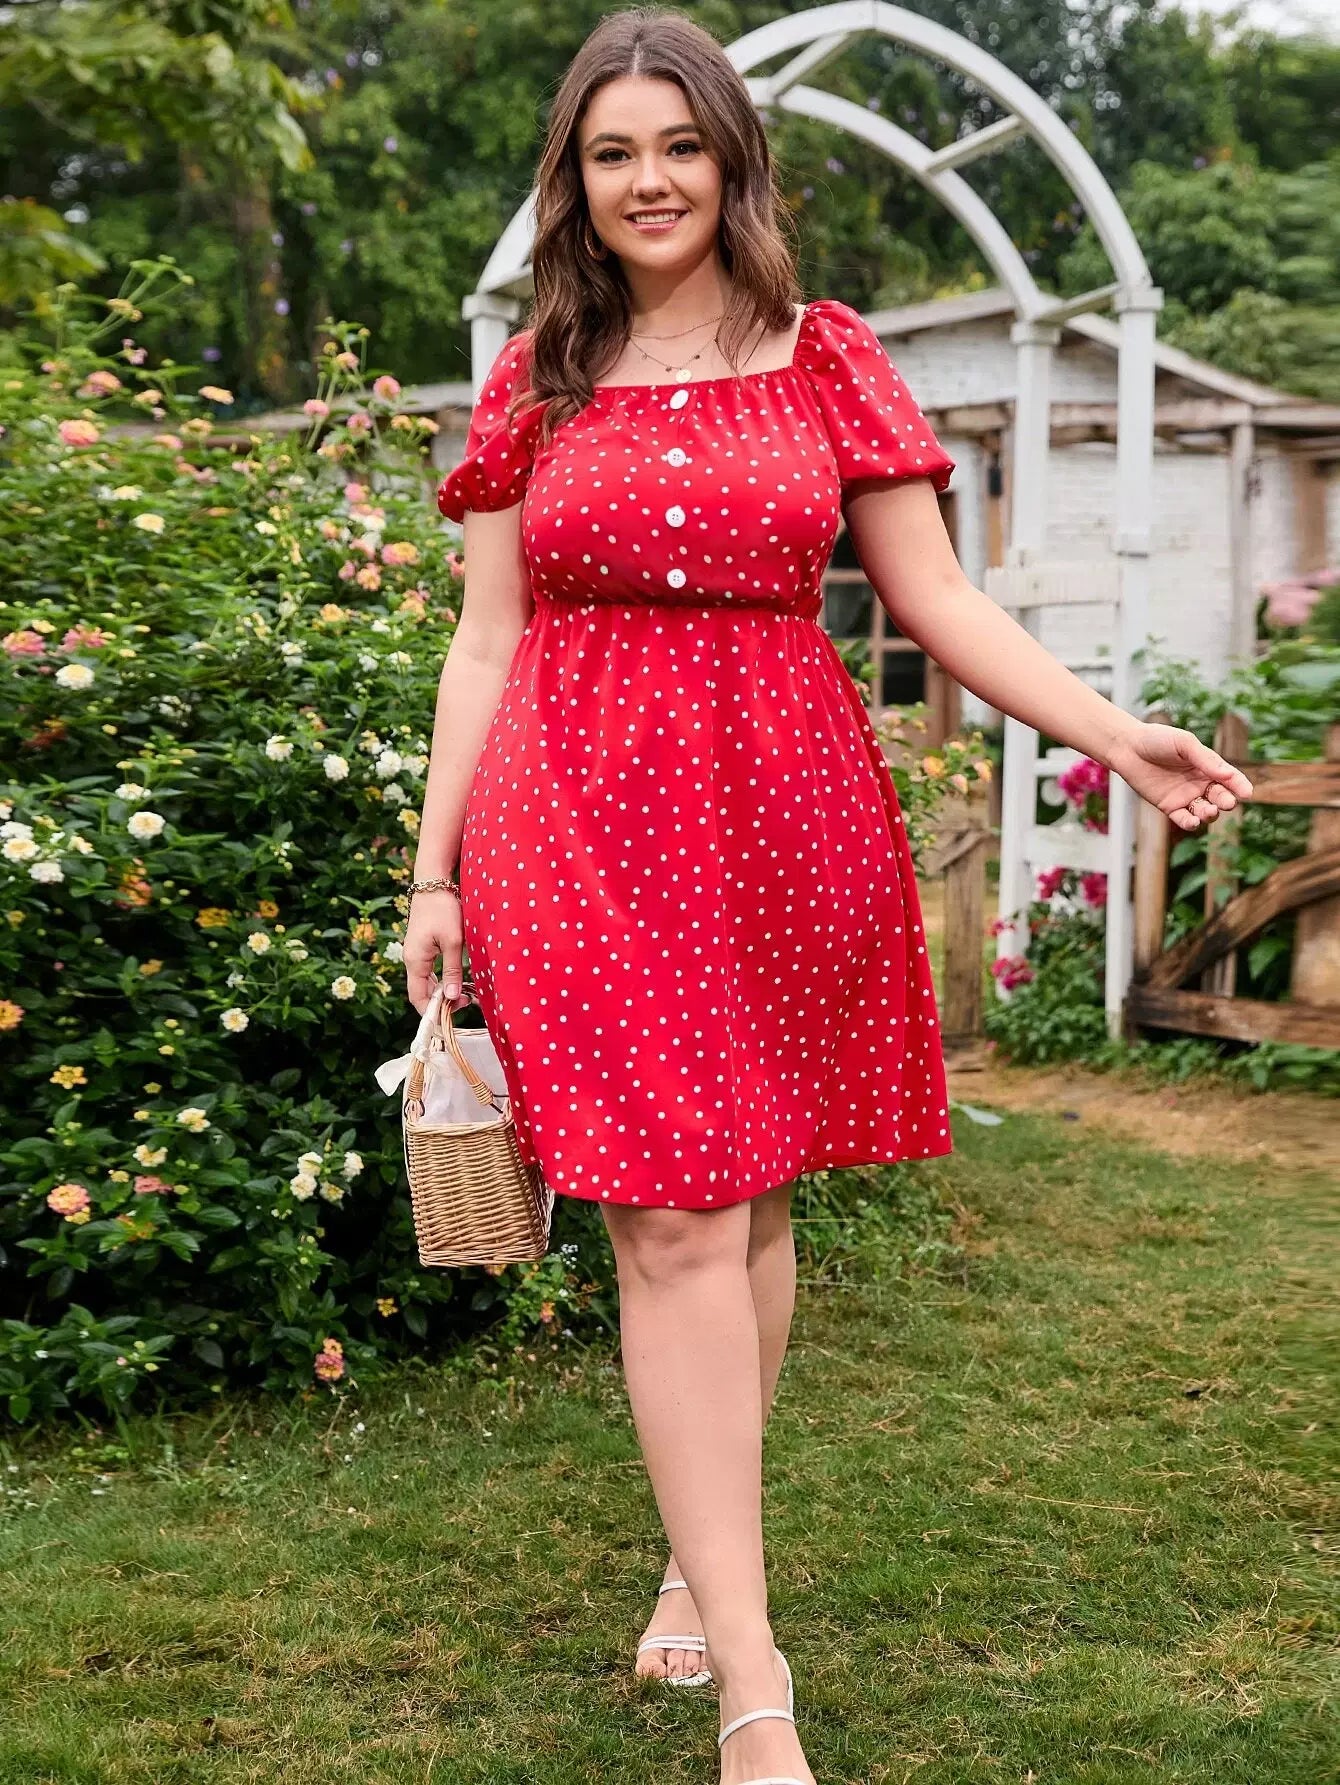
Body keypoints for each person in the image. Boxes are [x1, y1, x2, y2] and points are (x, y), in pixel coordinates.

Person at [403, 10, 1253, 1782]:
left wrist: (1115, 730)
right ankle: (756, 1676)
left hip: (779, 817)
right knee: (672, 1218)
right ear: (574, 177)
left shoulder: (825, 355)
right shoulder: (539, 376)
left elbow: (940, 601)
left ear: (735, 162)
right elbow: (486, 636)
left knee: (752, 1200)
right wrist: (435, 866)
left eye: (680, 146)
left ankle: (694, 1558)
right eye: (613, 152)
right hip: (576, 820)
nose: (649, 181)